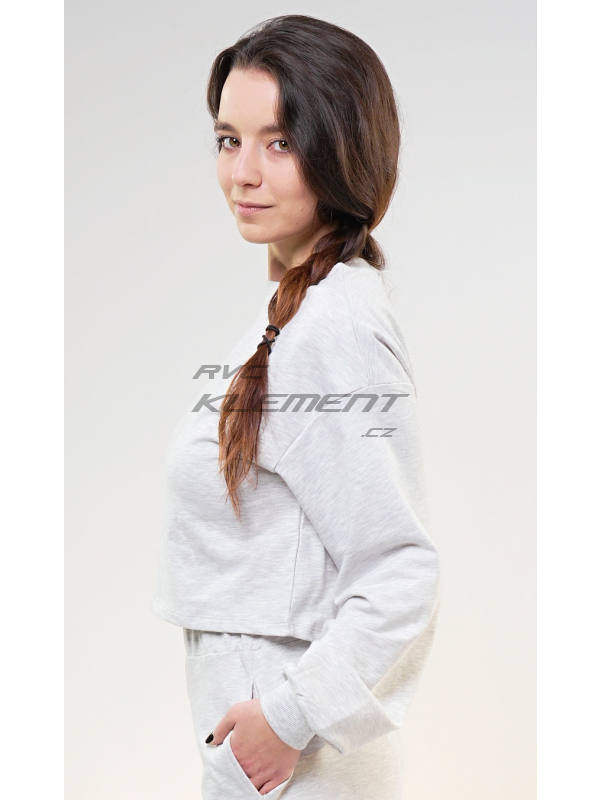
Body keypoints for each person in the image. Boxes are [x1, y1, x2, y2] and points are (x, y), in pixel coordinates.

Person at [152, 14, 442, 799]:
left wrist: (287, 720)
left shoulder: (332, 326)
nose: (242, 173)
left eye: (279, 142)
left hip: (293, 760)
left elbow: (401, 571)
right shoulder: (295, 312)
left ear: (342, 150)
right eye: (228, 140)